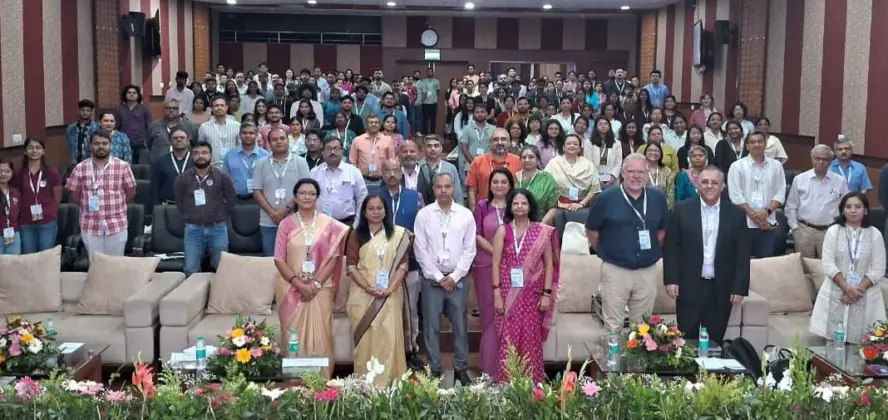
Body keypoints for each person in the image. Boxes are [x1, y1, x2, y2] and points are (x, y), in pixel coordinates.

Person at [664, 166, 750, 345]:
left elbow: (742, 254)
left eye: (714, 182)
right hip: (689, 286)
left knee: (714, 342)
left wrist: (739, 287)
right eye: (705, 182)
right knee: (686, 342)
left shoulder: (736, 214)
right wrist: (671, 279)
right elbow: (672, 248)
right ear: (697, 184)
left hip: (721, 289)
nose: (709, 186)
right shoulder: (681, 210)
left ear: (723, 186)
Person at [274, 179, 350, 379]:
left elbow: (334, 258)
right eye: (302, 193)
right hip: (291, 289)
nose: (307, 197)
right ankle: (293, 382)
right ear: (295, 197)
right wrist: (299, 285)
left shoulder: (329, 225)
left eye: (311, 193)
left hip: (321, 289)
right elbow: (279, 259)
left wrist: (315, 285)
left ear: (317, 197)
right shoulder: (285, 224)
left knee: (321, 337)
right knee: (292, 336)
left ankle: (322, 384)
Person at [585, 154, 670, 333]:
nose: (636, 176)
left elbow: (662, 232)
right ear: (623, 173)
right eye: (631, 171)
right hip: (615, 271)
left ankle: (637, 353)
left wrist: (648, 252)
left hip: (647, 271)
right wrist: (609, 251)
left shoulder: (658, 198)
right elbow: (591, 231)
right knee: (612, 326)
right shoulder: (605, 198)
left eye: (641, 172)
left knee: (642, 328)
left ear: (646, 174)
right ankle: (611, 353)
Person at [414, 172, 476, 384]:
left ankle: (460, 368)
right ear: (433, 189)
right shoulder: (424, 215)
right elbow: (420, 249)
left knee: (460, 326)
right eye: (439, 187)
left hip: (457, 281)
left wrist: (455, 276)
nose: (443, 191)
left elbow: (470, 249)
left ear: (454, 188)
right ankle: (435, 368)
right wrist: (440, 277)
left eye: (447, 187)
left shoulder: (465, 215)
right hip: (432, 281)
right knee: (431, 327)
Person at [492, 188, 559, 383]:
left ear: (530, 207)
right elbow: (495, 263)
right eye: (515, 203)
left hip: (533, 295)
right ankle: (508, 388)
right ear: (510, 207)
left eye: (524, 203)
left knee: (530, 341)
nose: (520, 206)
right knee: (509, 342)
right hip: (508, 294)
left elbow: (549, 264)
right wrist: (497, 295)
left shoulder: (541, 231)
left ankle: (533, 389)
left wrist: (546, 294)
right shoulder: (503, 231)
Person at [344, 194, 412, 386]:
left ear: (385, 211)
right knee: (365, 340)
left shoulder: (398, 234)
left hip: (391, 294)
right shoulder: (356, 235)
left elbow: (403, 266)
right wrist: (368, 288)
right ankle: (365, 385)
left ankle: (391, 385)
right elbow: (351, 267)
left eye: (379, 208)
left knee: (389, 339)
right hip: (362, 295)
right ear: (364, 212)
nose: (375, 212)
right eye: (371, 208)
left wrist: (390, 288)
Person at [809, 192, 886, 344]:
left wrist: (856, 291)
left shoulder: (875, 234)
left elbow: (878, 268)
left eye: (858, 206)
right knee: (833, 344)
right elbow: (828, 263)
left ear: (865, 210)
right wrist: (847, 287)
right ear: (842, 210)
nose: (853, 210)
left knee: (864, 347)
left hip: (865, 294)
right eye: (848, 207)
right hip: (836, 291)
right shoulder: (833, 231)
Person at [378, 159, 424, 369]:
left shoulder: (415, 197)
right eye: (387, 170)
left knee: (411, 308)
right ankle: (386, 348)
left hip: (409, 263)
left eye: (396, 170)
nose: (392, 174)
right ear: (382, 173)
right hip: (381, 265)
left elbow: (422, 230)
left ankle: (410, 349)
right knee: (384, 308)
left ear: (402, 173)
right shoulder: (374, 196)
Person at [65, 130, 137, 259]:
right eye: (96, 143)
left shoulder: (123, 166)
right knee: (95, 265)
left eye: (104, 143)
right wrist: (87, 205)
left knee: (115, 264)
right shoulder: (80, 167)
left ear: (110, 145)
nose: (101, 147)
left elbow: (131, 192)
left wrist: (115, 204)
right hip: (90, 224)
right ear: (90, 146)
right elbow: (75, 195)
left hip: (116, 223)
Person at [472, 168, 515, 377]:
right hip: (486, 265)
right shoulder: (482, 206)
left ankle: (510, 367)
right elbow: (477, 235)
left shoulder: (516, 206)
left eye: (503, 182)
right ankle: (490, 370)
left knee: (509, 314)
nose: (499, 186)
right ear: (489, 185)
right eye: (495, 182)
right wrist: (497, 252)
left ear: (510, 185)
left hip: (512, 267)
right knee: (490, 316)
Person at [175, 141, 236, 276]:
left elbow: (231, 200)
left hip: (217, 229)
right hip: (193, 230)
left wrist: (220, 216)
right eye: (196, 153)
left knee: (222, 268)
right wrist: (190, 216)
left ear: (211, 155)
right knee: (190, 269)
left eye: (204, 152)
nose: (200, 156)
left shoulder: (222, 177)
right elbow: (179, 202)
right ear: (192, 156)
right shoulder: (182, 178)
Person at [727, 131, 786, 259]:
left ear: (765, 144)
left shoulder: (776, 166)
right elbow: (735, 196)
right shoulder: (737, 166)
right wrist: (757, 218)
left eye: (760, 141)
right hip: (744, 224)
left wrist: (766, 212)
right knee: (742, 263)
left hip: (767, 224)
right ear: (747, 146)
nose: (756, 145)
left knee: (764, 265)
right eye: (752, 142)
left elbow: (780, 193)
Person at [253, 128, 311, 256]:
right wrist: (273, 213)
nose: (279, 142)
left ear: (288, 140)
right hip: (268, 221)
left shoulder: (300, 162)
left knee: (295, 259)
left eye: (282, 138)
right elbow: (257, 191)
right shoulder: (260, 164)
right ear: (269, 143)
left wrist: (285, 210)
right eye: (274, 139)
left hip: (295, 220)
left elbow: (305, 190)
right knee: (270, 260)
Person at [785, 145, 848, 259]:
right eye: (817, 158)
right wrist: (795, 229)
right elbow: (791, 207)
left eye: (825, 159)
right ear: (812, 158)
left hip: (829, 231)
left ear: (830, 161)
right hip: (804, 231)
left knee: (828, 266)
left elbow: (846, 207)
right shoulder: (799, 179)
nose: (821, 162)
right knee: (805, 266)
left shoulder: (840, 181)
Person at [13, 137, 62, 254]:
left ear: (43, 151)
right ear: (25, 151)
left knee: (45, 256)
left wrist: (49, 211)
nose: (34, 151)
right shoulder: (19, 174)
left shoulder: (52, 172)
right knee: (29, 256)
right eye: (30, 148)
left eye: (38, 148)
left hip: (47, 221)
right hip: (26, 222)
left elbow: (58, 197)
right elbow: (16, 197)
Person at [311, 136, 369, 226]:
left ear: (342, 151)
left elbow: (362, 198)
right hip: (320, 223)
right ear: (322, 153)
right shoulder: (314, 172)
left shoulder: (353, 171)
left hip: (347, 223)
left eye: (336, 148)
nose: (332, 152)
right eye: (328, 149)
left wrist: (356, 224)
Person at [466, 128, 522, 211]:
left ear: (509, 143)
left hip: (512, 211)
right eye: (495, 139)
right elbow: (471, 191)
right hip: (484, 211)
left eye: (503, 139)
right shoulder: (477, 162)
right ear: (490, 143)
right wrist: (475, 214)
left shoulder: (519, 162)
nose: (499, 142)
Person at [545, 134, 602, 212]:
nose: (572, 146)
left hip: (583, 207)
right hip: (558, 206)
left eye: (575, 144)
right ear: (563, 147)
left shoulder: (588, 164)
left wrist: (581, 204)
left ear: (579, 148)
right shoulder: (554, 163)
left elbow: (594, 189)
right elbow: (545, 186)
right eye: (568, 143)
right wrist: (560, 204)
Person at [349, 114, 396, 195]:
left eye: (376, 122)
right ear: (366, 125)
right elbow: (352, 162)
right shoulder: (357, 140)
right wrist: (355, 179)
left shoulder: (388, 140)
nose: (373, 124)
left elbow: (392, 162)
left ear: (380, 125)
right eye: (371, 122)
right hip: (362, 180)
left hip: (382, 181)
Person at [222, 123, 269, 201]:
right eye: (244, 133)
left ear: (256, 135)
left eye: (251, 133)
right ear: (239, 135)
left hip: (260, 199)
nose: (247, 135)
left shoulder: (265, 155)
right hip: (236, 199)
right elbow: (225, 178)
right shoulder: (230, 155)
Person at [515, 145, 560, 225]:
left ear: (538, 160)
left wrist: (539, 227)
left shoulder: (546, 179)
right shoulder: (513, 178)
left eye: (531, 157)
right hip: (515, 224)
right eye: (524, 157)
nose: (527, 160)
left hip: (541, 224)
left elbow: (553, 208)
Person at [150, 127, 193, 206]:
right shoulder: (161, 162)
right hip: (167, 206)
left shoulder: (196, 161)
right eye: (175, 138)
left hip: (191, 206)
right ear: (170, 141)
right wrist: (157, 207)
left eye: (182, 137)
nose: (179, 139)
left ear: (188, 141)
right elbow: (155, 188)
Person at [416, 135, 463, 206]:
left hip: (445, 208)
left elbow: (457, 194)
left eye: (436, 146)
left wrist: (460, 209)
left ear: (441, 148)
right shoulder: (417, 166)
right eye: (429, 146)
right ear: (423, 148)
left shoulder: (450, 168)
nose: (433, 149)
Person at [147, 99, 198, 163]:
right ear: (164, 109)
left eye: (174, 108)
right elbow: (148, 145)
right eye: (168, 108)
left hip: (184, 164)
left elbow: (195, 145)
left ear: (179, 110)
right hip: (159, 164)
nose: (171, 110)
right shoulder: (154, 126)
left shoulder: (189, 126)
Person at [198, 96, 241, 168]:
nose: (219, 107)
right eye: (216, 106)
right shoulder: (204, 127)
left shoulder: (237, 126)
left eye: (222, 105)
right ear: (212, 109)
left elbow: (240, 147)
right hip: (211, 167)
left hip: (233, 166)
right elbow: (201, 149)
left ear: (226, 107)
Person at [459, 101, 496, 183]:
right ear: (473, 114)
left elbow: (495, 148)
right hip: (470, 165)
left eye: (482, 112)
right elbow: (464, 148)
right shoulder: (467, 129)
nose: (480, 114)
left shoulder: (493, 129)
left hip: (488, 165)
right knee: (471, 189)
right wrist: (474, 163)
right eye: (477, 112)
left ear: (487, 113)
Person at [117, 85, 153, 164]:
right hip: (125, 143)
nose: (131, 94)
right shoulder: (120, 110)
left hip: (141, 144)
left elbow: (150, 126)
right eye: (129, 92)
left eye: (134, 93)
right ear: (125, 95)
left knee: (141, 167)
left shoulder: (144, 109)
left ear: (138, 95)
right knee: (127, 165)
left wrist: (147, 140)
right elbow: (117, 126)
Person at [586, 116, 623, 188]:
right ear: (596, 127)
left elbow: (618, 163)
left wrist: (612, 178)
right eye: (600, 124)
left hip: (612, 179)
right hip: (594, 179)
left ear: (609, 127)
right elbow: (589, 162)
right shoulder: (589, 142)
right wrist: (597, 178)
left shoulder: (616, 143)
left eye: (605, 124)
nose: (603, 126)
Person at [641, 141, 676, 210]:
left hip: (662, 209)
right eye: (650, 150)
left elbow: (670, 194)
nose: (653, 153)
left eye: (656, 151)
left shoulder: (667, 171)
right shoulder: (639, 170)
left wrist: (665, 210)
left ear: (661, 154)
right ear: (645, 153)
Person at [66, 99, 99, 164]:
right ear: (78, 111)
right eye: (83, 110)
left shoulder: (97, 127)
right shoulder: (71, 128)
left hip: (92, 161)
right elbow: (69, 146)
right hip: (75, 161)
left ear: (91, 112)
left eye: (88, 110)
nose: (85, 113)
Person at [0, 158, 21, 255]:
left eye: (7, 171)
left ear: (12, 173)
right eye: (0, 171)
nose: (3, 174)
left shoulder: (16, 192)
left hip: (13, 234)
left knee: (13, 263)